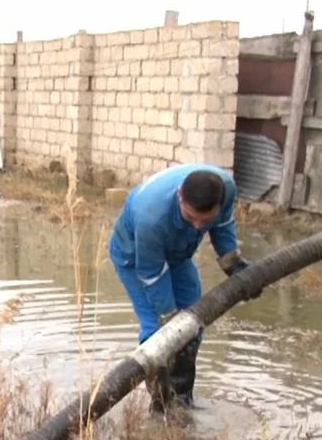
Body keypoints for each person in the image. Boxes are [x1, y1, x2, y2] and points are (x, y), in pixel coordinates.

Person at [108, 163, 259, 411]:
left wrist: (234, 267)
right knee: (159, 330)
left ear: (219, 203)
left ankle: (182, 401)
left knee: (193, 323)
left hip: (177, 255)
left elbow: (221, 227)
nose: (198, 227)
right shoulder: (151, 216)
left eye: (205, 219)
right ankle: (160, 406)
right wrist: (170, 318)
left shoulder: (226, 188)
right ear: (180, 195)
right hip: (135, 258)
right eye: (190, 218)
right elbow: (151, 274)